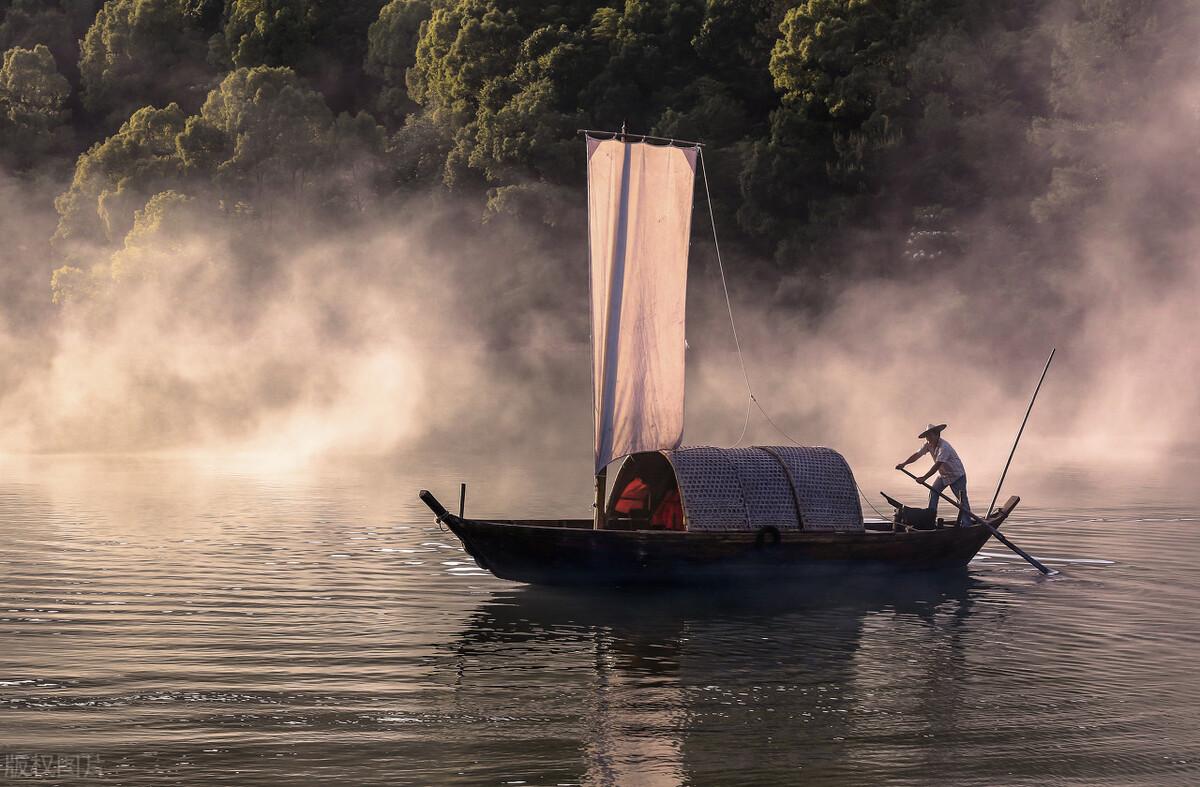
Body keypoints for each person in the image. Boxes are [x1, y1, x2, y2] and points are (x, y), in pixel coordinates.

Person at [896, 423, 972, 526]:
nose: (928, 438)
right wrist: (904, 464)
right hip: (944, 475)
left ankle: (967, 524)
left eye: (930, 435)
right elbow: (917, 455)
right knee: (933, 492)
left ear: (937, 435)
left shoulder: (944, 447)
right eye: (927, 436)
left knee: (962, 501)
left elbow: (937, 465)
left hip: (957, 475)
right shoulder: (928, 444)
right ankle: (930, 520)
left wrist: (924, 478)